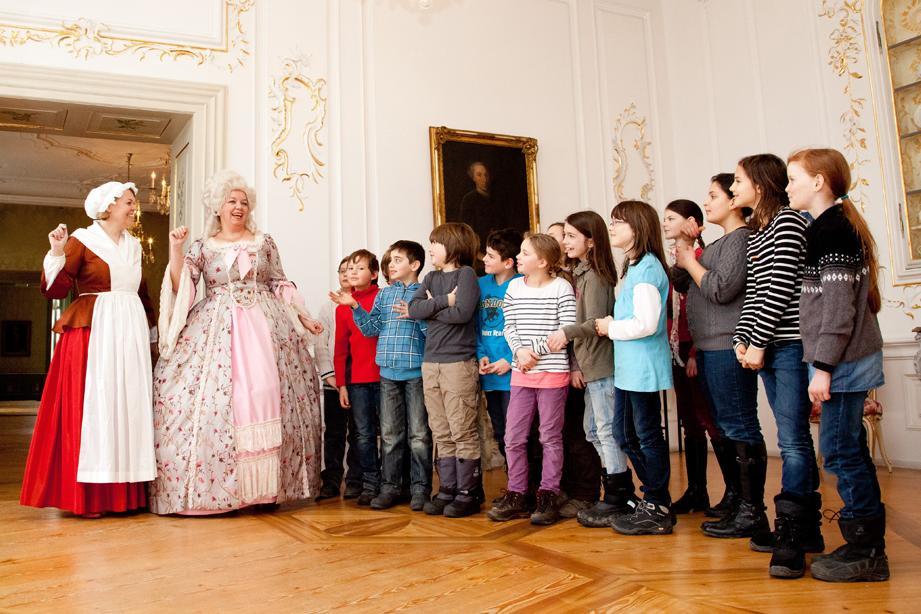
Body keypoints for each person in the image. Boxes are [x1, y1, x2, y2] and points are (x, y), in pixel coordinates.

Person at [149, 170, 323, 514]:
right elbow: (182, 282)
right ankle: (222, 492)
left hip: (266, 327)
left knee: (268, 396)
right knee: (223, 403)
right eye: (232, 201)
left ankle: (264, 491)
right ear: (218, 207)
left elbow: (279, 282)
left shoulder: (265, 242)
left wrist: (303, 316)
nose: (239, 206)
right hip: (216, 328)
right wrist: (175, 247)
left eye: (244, 202)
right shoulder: (202, 246)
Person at [20, 182, 156, 517]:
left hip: (130, 333)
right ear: (108, 206)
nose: (133, 209)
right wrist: (56, 251)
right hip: (96, 332)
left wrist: (153, 333)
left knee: (128, 406)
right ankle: (90, 496)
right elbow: (56, 289)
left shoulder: (135, 246)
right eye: (128, 202)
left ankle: (125, 494)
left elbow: (142, 292)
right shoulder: (83, 240)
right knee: (97, 405)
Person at [787, 148, 888, 582]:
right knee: (845, 450)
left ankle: (868, 552)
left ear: (819, 181)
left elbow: (839, 311)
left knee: (843, 452)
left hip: (843, 361)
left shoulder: (833, 230)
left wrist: (823, 366)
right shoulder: (825, 226)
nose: (788, 187)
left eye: (793, 179)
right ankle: (863, 544)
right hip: (838, 360)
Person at [728, 154, 823, 577]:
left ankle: (793, 533)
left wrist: (759, 343)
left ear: (761, 184)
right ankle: (806, 530)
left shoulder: (788, 221)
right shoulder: (758, 231)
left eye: (737, 181)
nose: (733, 189)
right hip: (766, 346)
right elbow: (755, 292)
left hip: (788, 345)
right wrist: (741, 340)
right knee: (789, 437)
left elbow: (783, 287)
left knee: (792, 441)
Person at [672, 175, 758, 525]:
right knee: (723, 424)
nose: (706, 202)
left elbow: (721, 289)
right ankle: (737, 499)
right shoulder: (716, 245)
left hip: (726, 344)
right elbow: (682, 281)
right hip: (710, 346)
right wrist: (689, 248)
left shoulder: (740, 239)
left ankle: (749, 509)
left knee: (737, 426)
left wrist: (692, 260)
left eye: (713, 195)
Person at [546, 211, 635, 528]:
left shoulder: (596, 276)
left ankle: (618, 495)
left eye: (570, 236)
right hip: (590, 364)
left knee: (607, 432)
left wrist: (566, 333)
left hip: (602, 365)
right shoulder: (581, 273)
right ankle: (615, 488)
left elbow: (596, 322)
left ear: (591, 240)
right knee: (593, 431)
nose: (565, 242)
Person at [331, 241, 432, 511]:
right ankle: (389, 487)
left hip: (415, 373)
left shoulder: (425, 293)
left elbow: (430, 334)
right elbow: (370, 329)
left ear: (415, 265)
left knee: (419, 435)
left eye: (398, 260)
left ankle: (420, 488)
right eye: (390, 260)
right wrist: (354, 306)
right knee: (389, 434)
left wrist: (417, 314)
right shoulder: (384, 296)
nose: (391, 265)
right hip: (387, 373)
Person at [595, 201, 674, 535]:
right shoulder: (633, 266)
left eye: (618, 222)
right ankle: (655, 498)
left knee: (645, 435)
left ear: (637, 228)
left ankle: (657, 504)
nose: (612, 227)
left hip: (643, 367)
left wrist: (609, 327)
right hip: (629, 366)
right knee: (624, 435)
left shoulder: (647, 269)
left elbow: (645, 323)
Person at [488, 234, 576, 525]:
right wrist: (519, 352)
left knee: (550, 437)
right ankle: (517, 492)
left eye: (525, 253)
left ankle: (548, 493)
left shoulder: (561, 288)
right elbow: (508, 325)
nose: (520, 257)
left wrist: (532, 352)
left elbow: (565, 331)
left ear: (543, 261)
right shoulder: (514, 287)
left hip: (551, 373)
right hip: (521, 373)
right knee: (513, 437)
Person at [408, 222, 483, 518]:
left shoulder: (466, 275)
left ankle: (468, 492)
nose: (430, 248)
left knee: (461, 427)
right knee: (440, 430)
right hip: (431, 363)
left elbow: (463, 313)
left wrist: (433, 310)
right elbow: (414, 311)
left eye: (435, 243)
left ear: (451, 244)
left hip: (458, 364)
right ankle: (448, 489)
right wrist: (444, 302)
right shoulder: (430, 277)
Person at [662, 199, 723, 514]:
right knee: (689, 422)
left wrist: (696, 353)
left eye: (671, 218)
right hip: (675, 347)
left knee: (707, 418)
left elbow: (704, 309)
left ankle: (733, 494)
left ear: (690, 221)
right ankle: (697, 491)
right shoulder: (673, 259)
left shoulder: (700, 257)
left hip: (695, 347)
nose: (665, 223)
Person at [334, 249, 382, 506]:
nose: (352, 272)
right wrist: (342, 384)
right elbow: (341, 349)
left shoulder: (382, 298)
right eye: (349, 267)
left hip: (386, 376)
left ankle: (391, 482)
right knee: (362, 434)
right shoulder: (342, 307)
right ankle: (369, 482)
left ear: (374, 274)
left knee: (390, 432)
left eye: (359, 267)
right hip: (358, 380)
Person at [315, 257, 363, 501]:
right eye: (342, 271)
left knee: (358, 430)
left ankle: (356, 479)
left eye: (352, 270)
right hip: (334, 380)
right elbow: (321, 344)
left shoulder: (362, 304)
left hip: (359, 378)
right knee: (334, 432)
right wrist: (330, 375)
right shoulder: (327, 307)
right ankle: (331, 480)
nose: (346, 274)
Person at [477, 228, 524, 459]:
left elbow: (527, 330)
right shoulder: (480, 284)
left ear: (508, 262)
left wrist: (510, 360)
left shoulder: (521, 285)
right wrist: (480, 355)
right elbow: (474, 326)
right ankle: (513, 484)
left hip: (513, 372)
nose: (484, 259)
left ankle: (525, 488)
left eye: (491, 256)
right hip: (489, 372)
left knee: (518, 434)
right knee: (500, 431)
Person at [459, 161, 506, 252]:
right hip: (479, 250)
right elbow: (467, 230)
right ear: (473, 178)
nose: (484, 179)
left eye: (486, 175)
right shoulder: (469, 199)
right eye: (479, 175)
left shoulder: (498, 199)